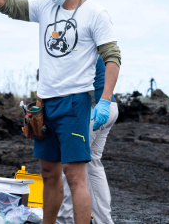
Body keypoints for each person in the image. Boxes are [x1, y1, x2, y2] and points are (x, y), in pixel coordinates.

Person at [0, 0, 121, 224]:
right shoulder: (46, 7)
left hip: (76, 101)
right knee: (47, 172)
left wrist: (104, 100)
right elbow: (8, 4)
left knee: (75, 174)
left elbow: (112, 56)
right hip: (45, 104)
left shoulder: (95, 14)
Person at [57, 56, 119, 224]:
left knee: (72, 164)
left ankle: (65, 219)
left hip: (94, 110)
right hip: (109, 106)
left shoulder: (78, 50)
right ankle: (104, 221)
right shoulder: (90, 49)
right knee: (93, 164)